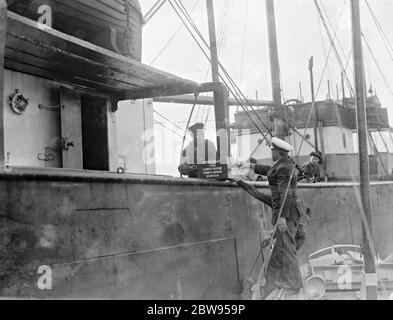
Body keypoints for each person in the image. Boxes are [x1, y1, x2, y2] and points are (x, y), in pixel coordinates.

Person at [240, 137, 304, 299]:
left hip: (286, 214)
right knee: (278, 254)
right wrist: (249, 166)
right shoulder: (283, 165)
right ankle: (274, 284)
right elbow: (269, 171)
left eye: (272, 150)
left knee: (287, 249)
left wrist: (282, 217)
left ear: (276, 151)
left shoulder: (284, 167)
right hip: (286, 211)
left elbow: (285, 193)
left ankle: (293, 284)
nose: (271, 153)